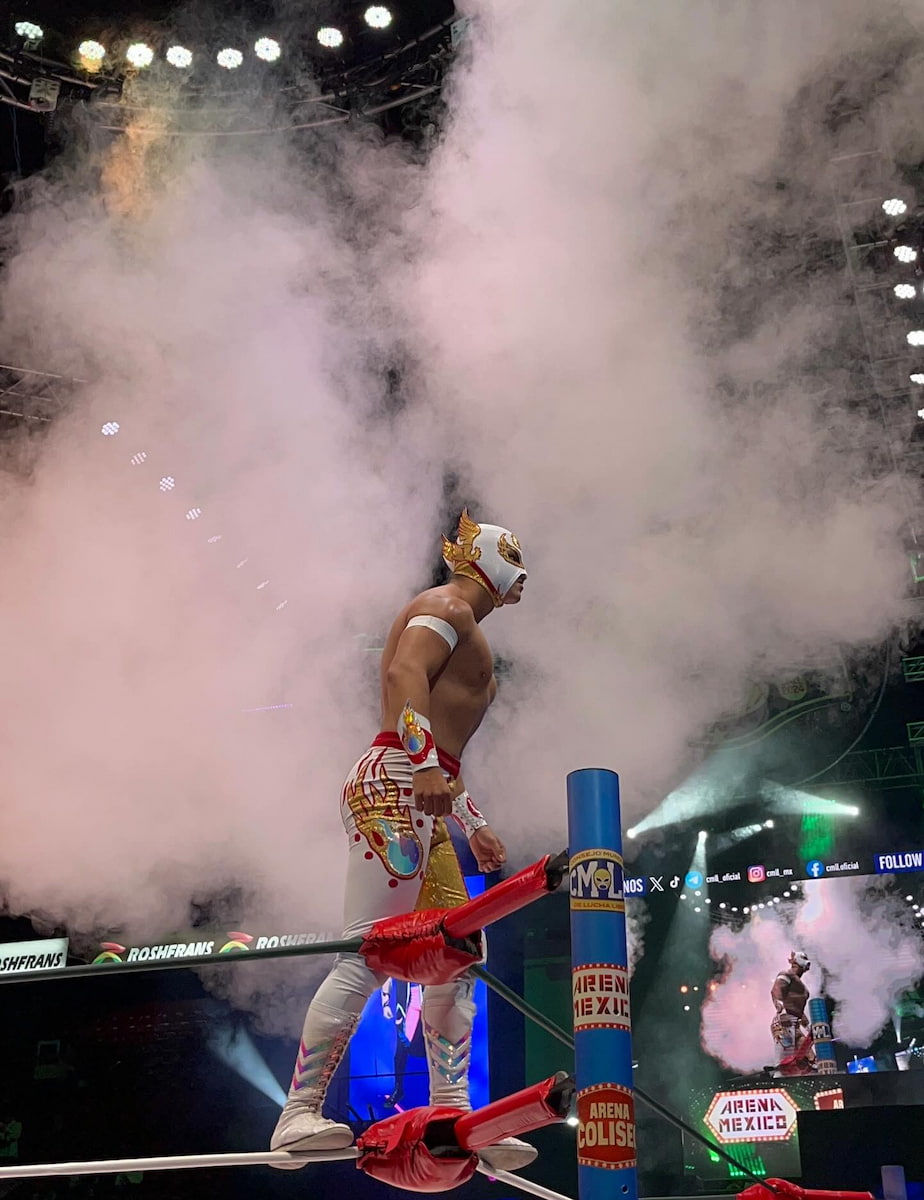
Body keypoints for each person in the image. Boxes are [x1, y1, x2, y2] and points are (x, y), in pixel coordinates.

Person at [271, 510, 534, 1171]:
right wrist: (421, 767)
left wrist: (471, 821)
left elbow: (445, 755)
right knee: (369, 951)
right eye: (514, 557)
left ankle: (454, 1114)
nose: (526, 574)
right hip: (393, 782)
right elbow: (403, 677)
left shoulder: (469, 631)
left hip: (416, 788)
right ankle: (297, 1114)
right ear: (485, 559)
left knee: (456, 954)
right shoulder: (445, 606)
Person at [770, 950, 815, 1076]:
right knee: (783, 1064)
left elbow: (799, 1010)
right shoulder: (786, 975)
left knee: (808, 1060)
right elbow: (776, 991)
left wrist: (808, 1026)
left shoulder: (802, 987)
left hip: (795, 1024)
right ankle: (778, 1082)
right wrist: (782, 1011)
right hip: (784, 1022)